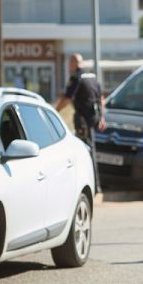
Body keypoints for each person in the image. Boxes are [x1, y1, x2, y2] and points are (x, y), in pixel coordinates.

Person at [56, 53, 106, 190]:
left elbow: (66, 99)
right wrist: (102, 117)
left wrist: (55, 111)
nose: (69, 66)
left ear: (73, 63)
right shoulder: (92, 77)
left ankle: (93, 186)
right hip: (94, 118)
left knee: (85, 151)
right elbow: (101, 98)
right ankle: (96, 185)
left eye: (69, 64)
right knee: (90, 150)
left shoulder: (76, 78)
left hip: (83, 119)